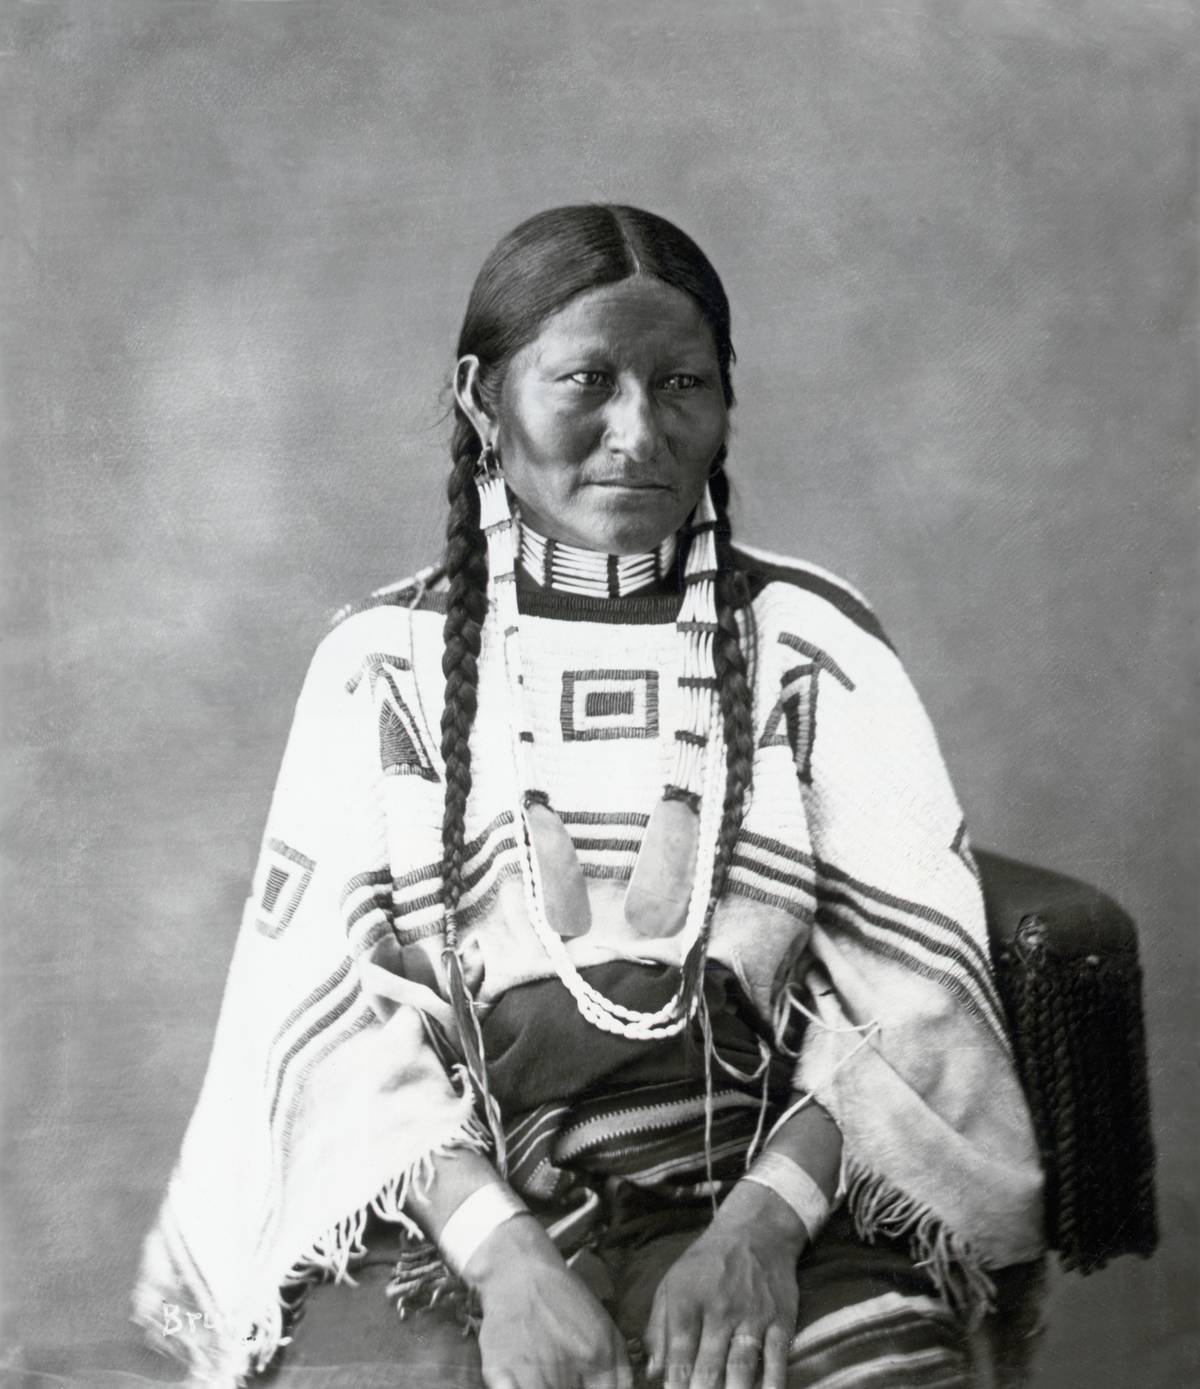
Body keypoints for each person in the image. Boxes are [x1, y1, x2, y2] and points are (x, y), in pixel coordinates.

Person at [135, 205, 1045, 1389]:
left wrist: (759, 1235)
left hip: (762, 1194)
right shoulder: (382, 666)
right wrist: (506, 1258)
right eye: (586, 382)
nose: (639, 432)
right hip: (450, 1213)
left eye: (682, 384)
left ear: (726, 404)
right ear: (481, 399)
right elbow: (333, 1030)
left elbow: (912, 1008)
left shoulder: (811, 646)